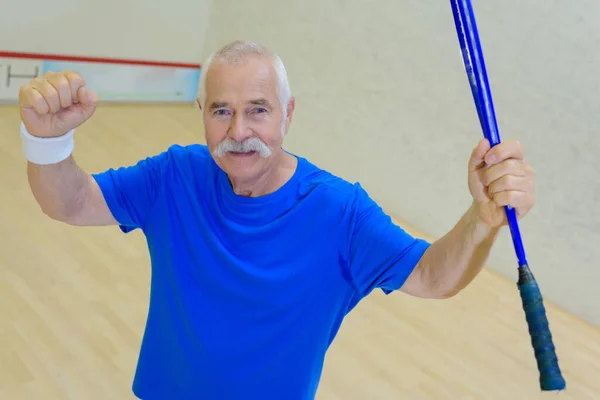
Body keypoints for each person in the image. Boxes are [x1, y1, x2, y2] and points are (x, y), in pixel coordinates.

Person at [18, 40, 535, 399]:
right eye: (221, 110)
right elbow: (70, 202)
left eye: (258, 110)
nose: (239, 129)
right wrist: (45, 140)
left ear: (288, 114)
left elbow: (432, 277)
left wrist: (482, 218)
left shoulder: (340, 212)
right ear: (200, 111)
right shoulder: (175, 176)